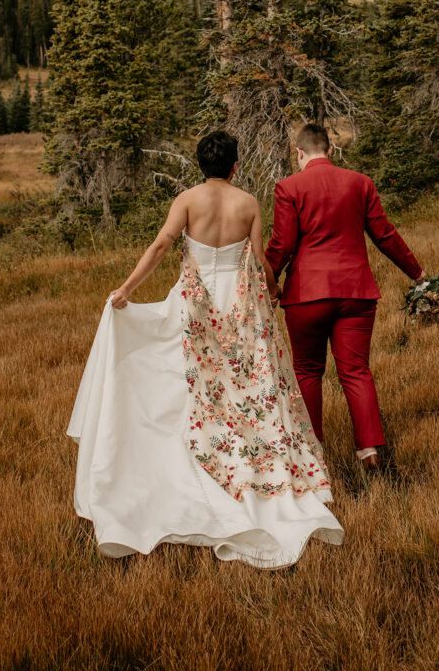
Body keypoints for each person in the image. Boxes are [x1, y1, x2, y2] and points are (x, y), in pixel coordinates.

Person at [66, 130, 343, 568]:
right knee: (249, 389)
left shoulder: (188, 199)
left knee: (184, 386)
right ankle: (250, 467)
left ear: (202, 164)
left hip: (195, 304)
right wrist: (272, 290)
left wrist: (126, 289)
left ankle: (182, 464)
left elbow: (161, 246)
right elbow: (258, 258)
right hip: (238, 304)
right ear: (234, 165)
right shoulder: (248, 203)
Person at [265, 123, 426, 472]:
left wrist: (269, 284)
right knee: (356, 371)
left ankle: (313, 455)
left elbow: (282, 244)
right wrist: (417, 272)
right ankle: (369, 451)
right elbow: (384, 234)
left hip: (307, 295)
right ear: (331, 150)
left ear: (299, 153)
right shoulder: (360, 183)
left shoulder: (289, 187)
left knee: (307, 371)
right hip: (356, 291)